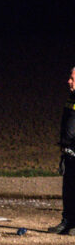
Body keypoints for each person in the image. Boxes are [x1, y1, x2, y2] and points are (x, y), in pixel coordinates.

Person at [50, 67, 75, 234]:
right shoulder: (71, 98)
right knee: (68, 188)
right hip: (69, 151)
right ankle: (67, 221)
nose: (69, 81)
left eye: (72, 78)